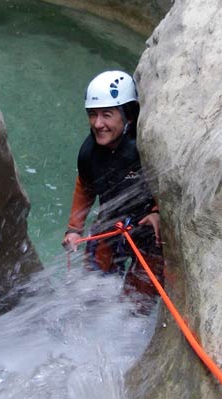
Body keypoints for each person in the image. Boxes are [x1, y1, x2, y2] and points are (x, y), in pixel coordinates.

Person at [61, 70, 164, 304]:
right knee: (95, 288)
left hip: (150, 229)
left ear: (128, 116)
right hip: (112, 224)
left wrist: (157, 212)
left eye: (107, 115)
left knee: (137, 299)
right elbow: (85, 187)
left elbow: (167, 181)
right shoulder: (89, 153)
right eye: (92, 115)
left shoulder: (144, 148)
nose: (98, 124)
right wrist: (74, 229)